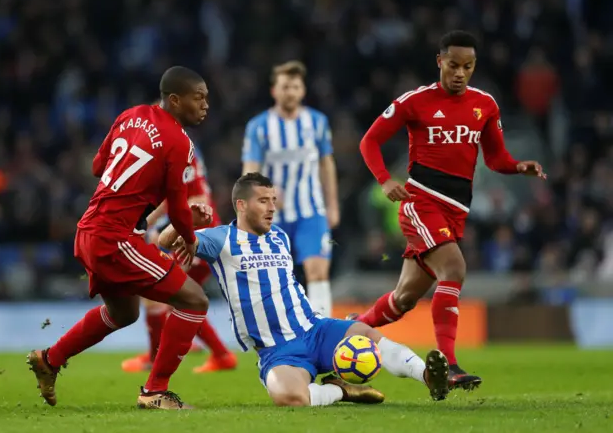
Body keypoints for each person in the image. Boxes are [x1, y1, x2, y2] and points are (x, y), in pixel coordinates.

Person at [354, 30, 546, 390]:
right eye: (454, 65)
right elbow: (370, 141)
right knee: (455, 267)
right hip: (420, 203)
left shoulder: (485, 105)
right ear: (440, 62)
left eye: (468, 66)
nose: (460, 73)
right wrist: (383, 180)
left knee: (404, 298)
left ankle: (351, 327)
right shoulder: (416, 101)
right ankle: (450, 365)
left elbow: (495, 158)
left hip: (455, 211)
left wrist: (519, 167)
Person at [160, 173, 451, 407]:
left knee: (369, 335)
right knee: (290, 398)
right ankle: (342, 392)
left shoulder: (279, 236)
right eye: (263, 201)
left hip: (315, 329)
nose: (272, 207)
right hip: (279, 350)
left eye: (273, 200)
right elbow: (164, 241)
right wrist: (184, 219)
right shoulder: (220, 239)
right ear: (242, 205)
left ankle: (427, 376)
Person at [27, 66, 214, 410]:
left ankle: (50, 359)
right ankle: (155, 391)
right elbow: (176, 204)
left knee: (124, 312)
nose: (206, 105)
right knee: (194, 299)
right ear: (175, 100)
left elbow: (99, 167)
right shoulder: (179, 141)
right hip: (115, 238)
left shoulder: (129, 116)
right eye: (198, 97)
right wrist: (188, 235)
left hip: (89, 230)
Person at [121, 144, 237, 374]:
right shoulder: (177, 152)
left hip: (195, 237)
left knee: (171, 295)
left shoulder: (180, 151)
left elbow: (197, 197)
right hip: (197, 233)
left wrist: (159, 227)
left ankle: (215, 355)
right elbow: (171, 198)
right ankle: (205, 352)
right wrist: (145, 224)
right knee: (172, 297)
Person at [242, 61, 339, 317]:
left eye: (295, 86)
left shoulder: (317, 122)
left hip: (311, 211)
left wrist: (332, 205)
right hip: (272, 216)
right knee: (274, 278)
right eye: (285, 86)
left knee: (318, 272)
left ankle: (323, 334)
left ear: (303, 90)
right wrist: (262, 195)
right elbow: (249, 171)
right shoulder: (259, 127)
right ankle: (277, 338)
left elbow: (326, 164)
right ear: (274, 90)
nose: (290, 92)